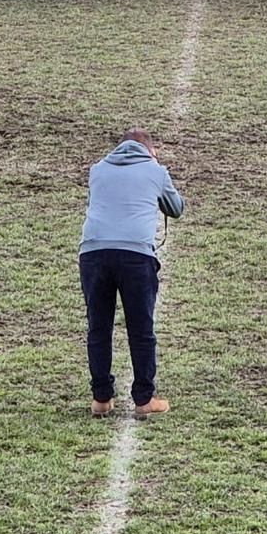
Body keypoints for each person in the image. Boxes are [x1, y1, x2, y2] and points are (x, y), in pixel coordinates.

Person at [79, 126, 183, 420]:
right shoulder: (155, 171)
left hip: (93, 252)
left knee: (98, 327)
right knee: (140, 329)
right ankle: (144, 399)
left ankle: (100, 398)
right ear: (150, 150)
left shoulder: (97, 169)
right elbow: (176, 208)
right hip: (135, 255)